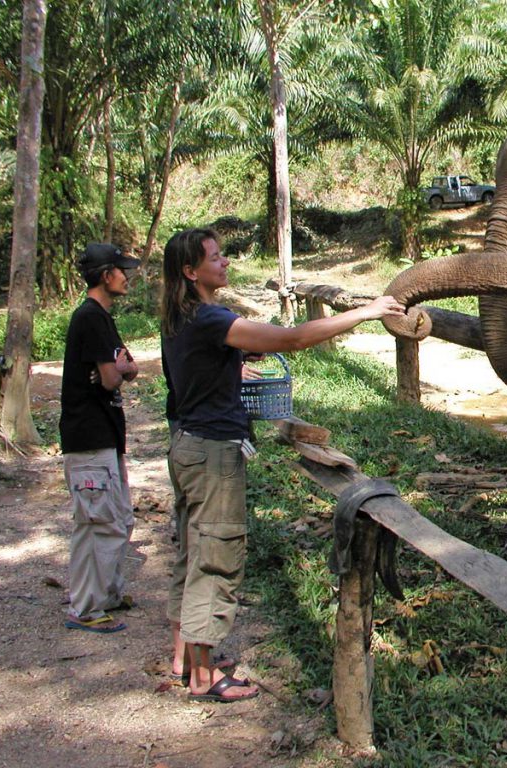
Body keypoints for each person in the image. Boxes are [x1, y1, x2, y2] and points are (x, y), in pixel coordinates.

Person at [160, 227, 405, 703]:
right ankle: (204, 678)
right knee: (216, 556)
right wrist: (367, 311)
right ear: (191, 272)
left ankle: (183, 657)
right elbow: (292, 340)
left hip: (187, 445)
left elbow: (202, 366)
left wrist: (234, 362)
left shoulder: (178, 317)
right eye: (215, 257)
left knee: (192, 549)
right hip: (212, 453)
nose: (225, 262)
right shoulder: (211, 318)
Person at [60, 242, 141, 634]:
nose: (127, 276)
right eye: (122, 269)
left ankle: (106, 594)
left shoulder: (103, 318)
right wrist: (118, 369)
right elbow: (113, 376)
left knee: (117, 517)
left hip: (106, 435)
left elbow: (129, 368)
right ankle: (86, 608)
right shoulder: (89, 318)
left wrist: (120, 368)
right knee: (96, 523)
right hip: (89, 437)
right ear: (106, 275)